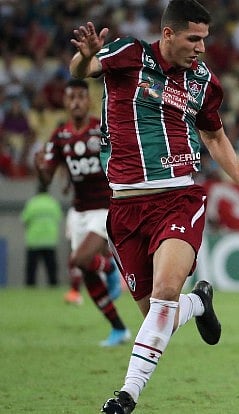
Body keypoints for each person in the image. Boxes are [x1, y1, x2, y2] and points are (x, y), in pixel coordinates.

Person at [69, 1, 239, 412]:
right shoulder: (129, 54)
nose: (201, 48)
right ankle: (199, 302)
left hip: (177, 199)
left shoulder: (202, 81)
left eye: (205, 39)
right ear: (168, 34)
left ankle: (126, 395)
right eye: (193, 38)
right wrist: (84, 57)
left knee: (166, 293)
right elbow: (82, 71)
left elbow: (215, 137)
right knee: (158, 316)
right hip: (124, 207)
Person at [35, 78, 129, 347]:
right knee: (85, 271)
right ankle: (118, 329)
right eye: (71, 97)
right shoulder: (60, 136)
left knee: (80, 259)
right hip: (79, 212)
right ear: (65, 102)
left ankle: (110, 268)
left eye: (80, 96)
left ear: (88, 101)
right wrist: (40, 167)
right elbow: (46, 179)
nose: (76, 102)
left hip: (105, 208)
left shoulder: (102, 130)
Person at [20, 180, 63, 287]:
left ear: (37, 191)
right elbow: (58, 219)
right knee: (51, 268)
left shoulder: (32, 203)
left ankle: (30, 288)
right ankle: (53, 286)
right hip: (49, 240)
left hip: (34, 240)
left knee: (31, 269)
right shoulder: (53, 203)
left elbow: (24, 220)